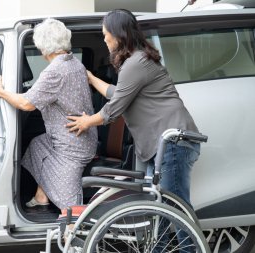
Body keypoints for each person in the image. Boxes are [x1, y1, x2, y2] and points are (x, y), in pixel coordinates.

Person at [66, 9, 200, 208]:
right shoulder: (137, 61)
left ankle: (190, 241)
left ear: (118, 34)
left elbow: (115, 108)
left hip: (172, 142)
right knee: (157, 208)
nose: (104, 40)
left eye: (105, 35)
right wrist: (92, 79)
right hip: (163, 144)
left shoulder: (136, 63)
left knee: (176, 208)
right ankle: (160, 241)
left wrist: (87, 121)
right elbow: (117, 94)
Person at [0, 18, 98, 210]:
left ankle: (74, 232)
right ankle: (41, 195)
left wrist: (1, 92)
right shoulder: (75, 63)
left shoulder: (55, 71)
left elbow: (26, 104)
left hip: (72, 146)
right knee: (37, 145)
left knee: (70, 207)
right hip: (78, 137)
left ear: (43, 48)